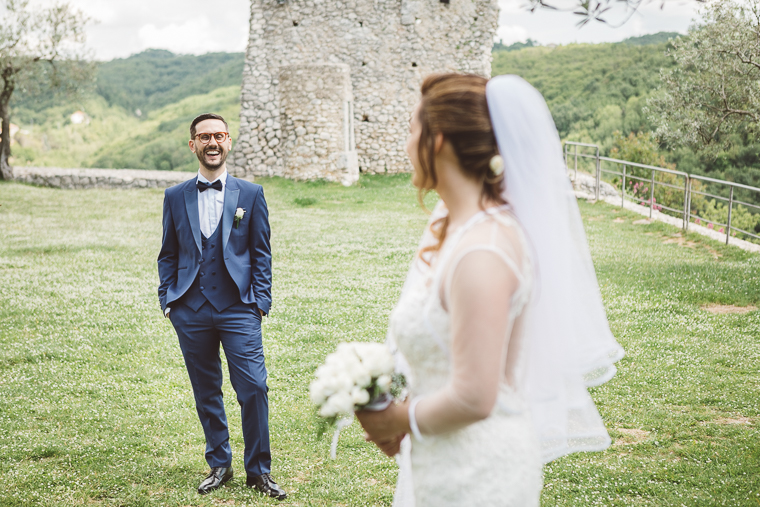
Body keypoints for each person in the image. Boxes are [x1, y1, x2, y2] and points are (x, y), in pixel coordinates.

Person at [357, 74, 624, 506]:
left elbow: (476, 396)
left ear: (438, 140)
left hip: (479, 474)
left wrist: (397, 420)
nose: (406, 146)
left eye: (412, 130)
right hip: (440, 458)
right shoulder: (458, 231)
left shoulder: (485, 251)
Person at [157, 113, 286, 500]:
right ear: (193, 144)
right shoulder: (175, 196)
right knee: (206, 389)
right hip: (190, 309)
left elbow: (260, 252)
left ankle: (258, 470)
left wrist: (259, 301)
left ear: (228, 141)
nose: (212, 143)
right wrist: (168, 301)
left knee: (254, 387)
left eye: (219, 135)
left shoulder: (250, 194)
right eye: (203, 137)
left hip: (238, 307)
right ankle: (219, 464)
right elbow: (168, 253)